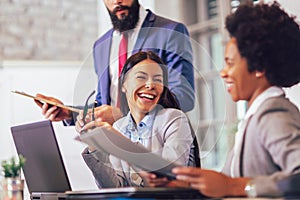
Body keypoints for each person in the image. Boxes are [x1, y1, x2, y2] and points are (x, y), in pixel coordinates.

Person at [141, 2, 300, 198]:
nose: (223, 73)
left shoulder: (273, 113)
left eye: (230, 63)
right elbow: (225, 182)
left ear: (259, 67)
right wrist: (179, 183)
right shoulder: (255, 116)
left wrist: (235, 187)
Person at [35, 0, 194, 125]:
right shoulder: (101, 46)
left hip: (158, 147)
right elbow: (105, 105)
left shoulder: (170, 32)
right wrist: (70, 113)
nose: (117, 1)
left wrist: (124, 115)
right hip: (114, 151)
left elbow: (183, 97)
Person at [76, 51, 199, 188]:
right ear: (123, 85)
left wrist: (120, 143)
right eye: (141, 77)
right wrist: (95, 145)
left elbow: (168, 177)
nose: (151, 85)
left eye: (158, 79)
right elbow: (115, 188)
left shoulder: (174, 118)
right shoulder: (119, 127)